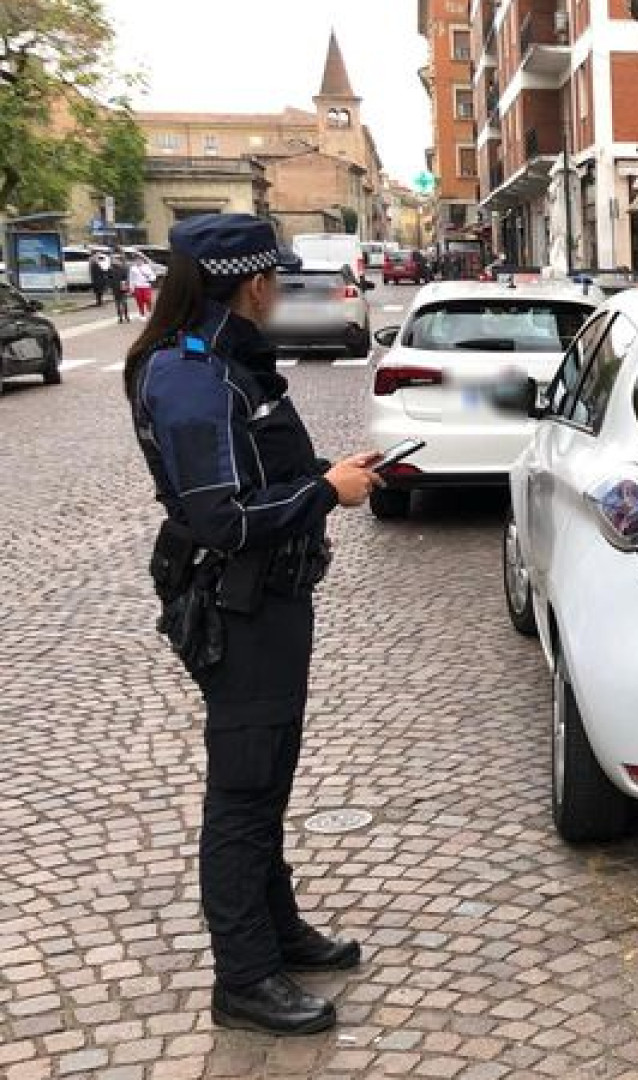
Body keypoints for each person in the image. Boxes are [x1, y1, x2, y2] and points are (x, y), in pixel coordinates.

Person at [125, 214, 385, 1036]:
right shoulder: (194, 376)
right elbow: (223, 519)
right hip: (237, 606)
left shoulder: (229, 363)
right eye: (276, 275)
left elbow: (258, 471)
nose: (282, 287)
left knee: (267, 774)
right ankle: (243, 977)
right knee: (243, 789)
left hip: (269, 600)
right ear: (251, 282)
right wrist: (325, 493)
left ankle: (278, 932)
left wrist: (320, 473)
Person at [108, 253, 131, 323]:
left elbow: (126, 278)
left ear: (119, 260)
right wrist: (110, 287)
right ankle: (120, 317)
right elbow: (109, 278)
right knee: (117, 303)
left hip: (122, 287)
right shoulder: (110, 268)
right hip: (115, 288)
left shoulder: (123, 268)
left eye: (115, 260)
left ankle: (126, 316)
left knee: (124, 302)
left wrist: (126, 287)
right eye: (112, 260)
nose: (113, 261)